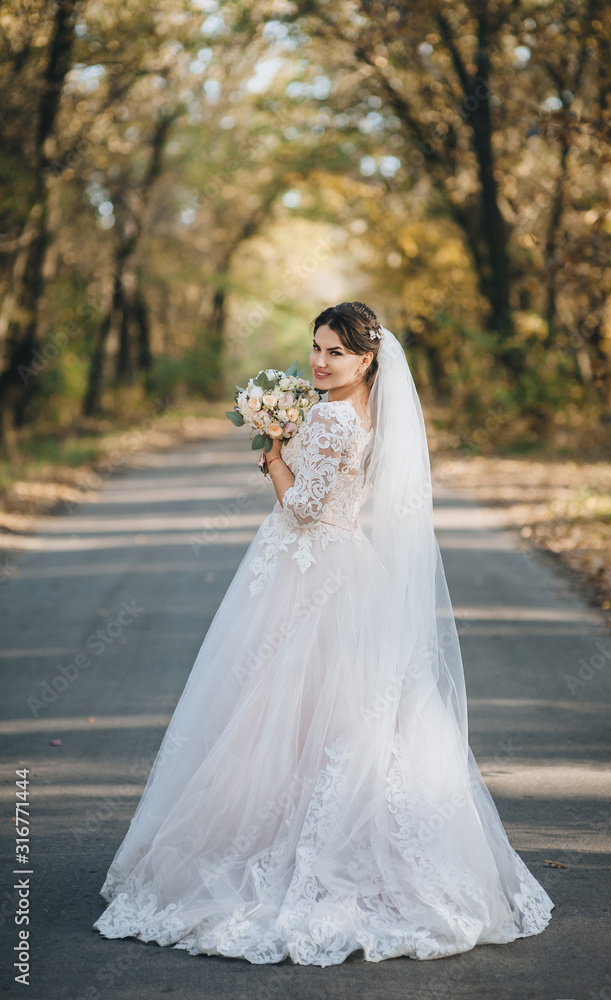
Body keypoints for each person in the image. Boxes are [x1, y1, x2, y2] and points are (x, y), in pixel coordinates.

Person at [93, 301, 554, 966]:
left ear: (367, 358)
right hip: (343, 565)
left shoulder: (335, 414)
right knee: (330, 714)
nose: (319, 361)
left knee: (277, 706)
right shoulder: (366, 409)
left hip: (309, 569)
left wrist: (274, 455)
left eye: (336, 351)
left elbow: (304, 506)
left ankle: (288, 847)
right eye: (316, 348)